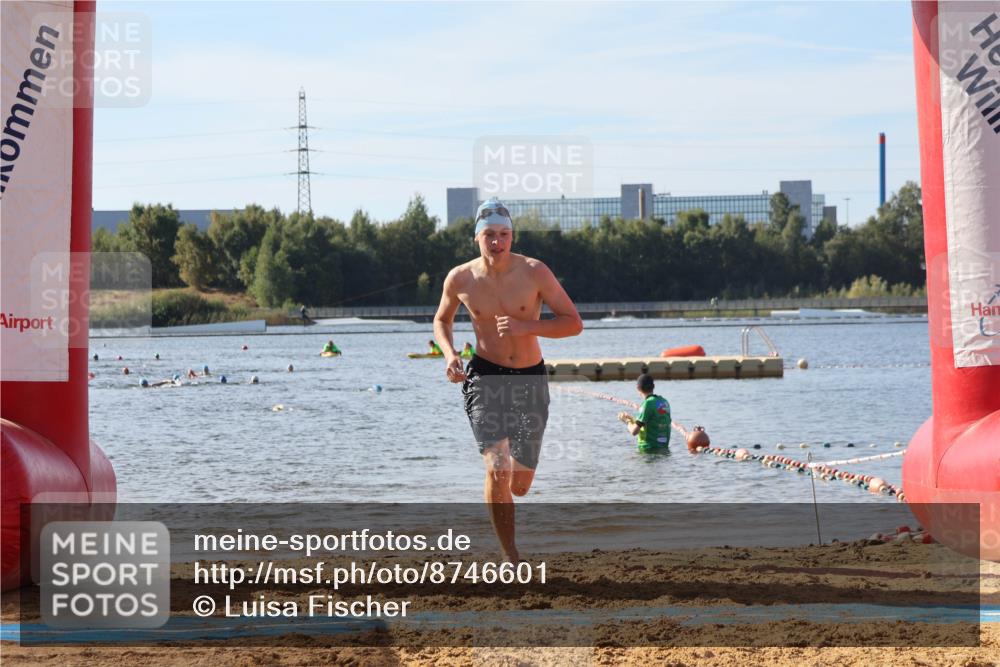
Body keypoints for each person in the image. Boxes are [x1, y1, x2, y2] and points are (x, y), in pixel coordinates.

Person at [433, 196, 583, 563]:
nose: (497, 242)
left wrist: (525, 326)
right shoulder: (461, 277)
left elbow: (573, 323)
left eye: (503, 234)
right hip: (484, 375)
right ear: (477, 238)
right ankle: (509, 553)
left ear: (512, 236)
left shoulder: (534, 271)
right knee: (497, 465)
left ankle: (510, 522)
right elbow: (442, 320)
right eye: (489, 235)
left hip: (530, 378)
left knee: (520, 484)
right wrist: (451, 355)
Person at [618, 373, 672, 451]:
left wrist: (626, 420)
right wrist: (632, 420)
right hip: (664, 450)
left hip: (648, 450)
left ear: (638, 388)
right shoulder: (664, 402)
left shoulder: (648, 404)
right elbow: (653, 422)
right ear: (653, 386)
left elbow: (634, 431)